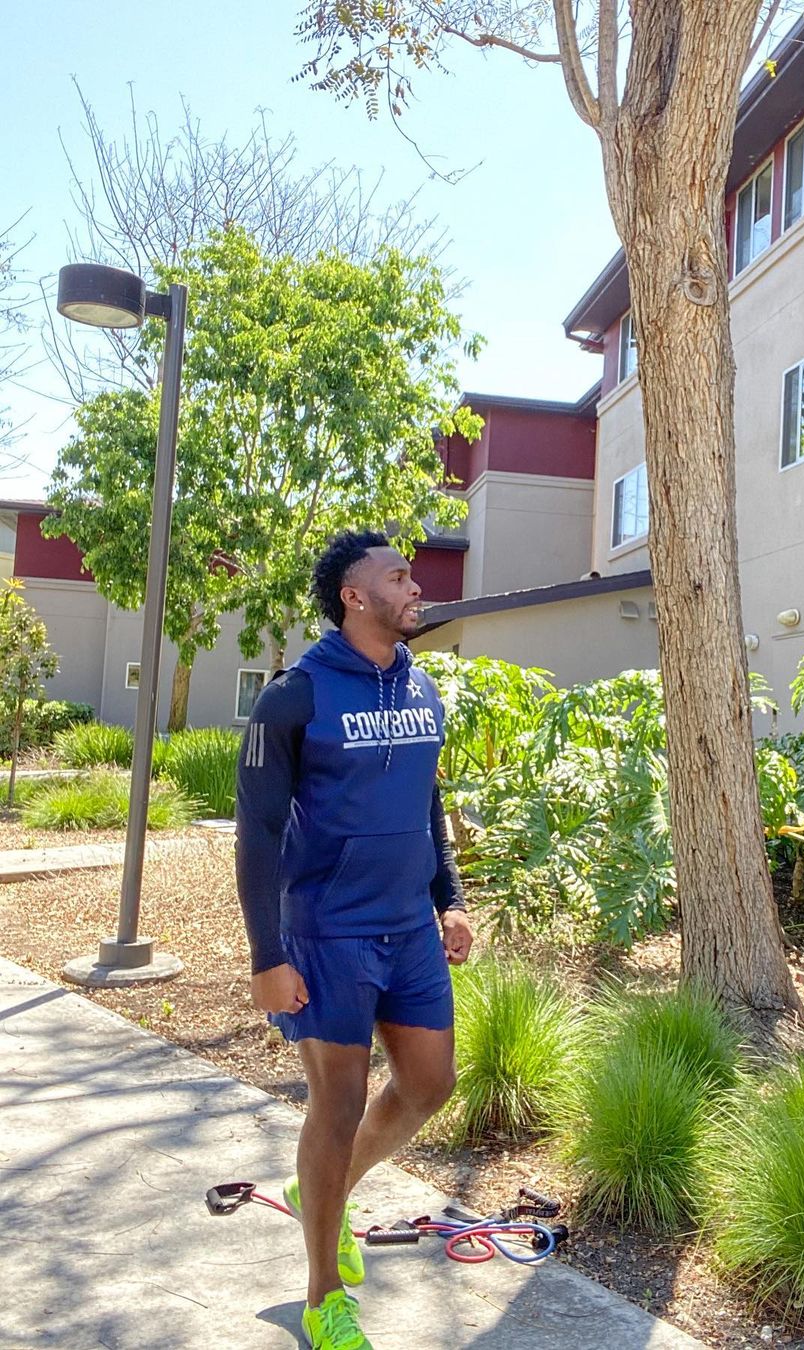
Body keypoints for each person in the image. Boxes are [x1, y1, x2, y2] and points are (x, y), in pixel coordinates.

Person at [235, 529, 472, 1350]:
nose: (417, 587)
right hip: (328, 930)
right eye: (399, 576)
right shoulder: (294, 697)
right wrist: (267, 957)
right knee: (335, 1104)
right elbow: (259, 833)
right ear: (353, 595)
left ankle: (323, 1191)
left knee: (429, 1084)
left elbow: (428, 804)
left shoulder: (421, 687)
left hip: (408, 926)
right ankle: (321, 1293)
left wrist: (452, 898)